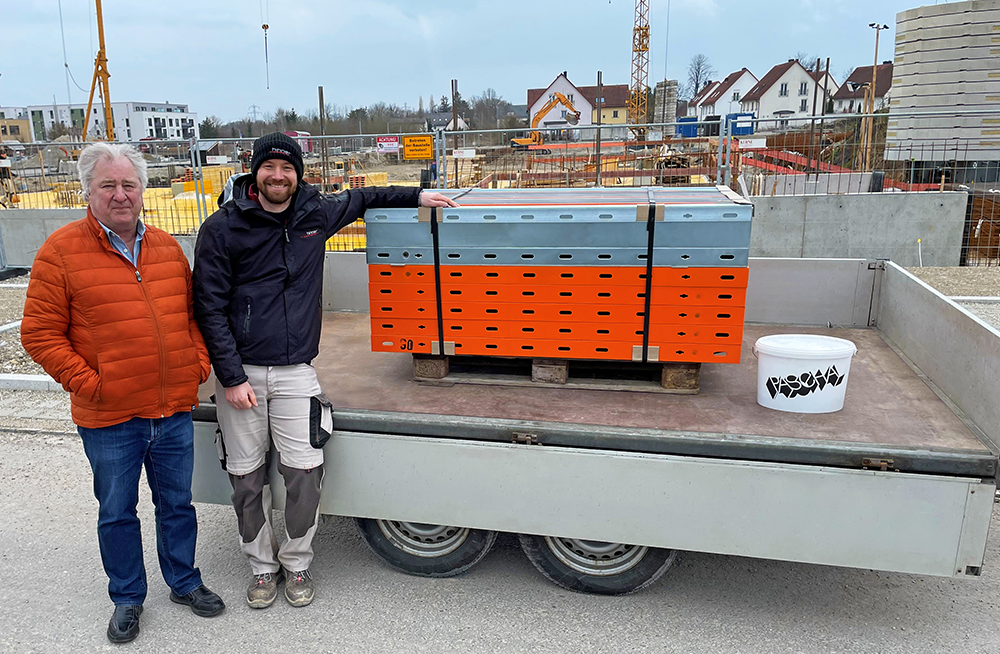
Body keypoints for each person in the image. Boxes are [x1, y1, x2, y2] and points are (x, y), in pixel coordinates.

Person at [193, 132, 457, 609]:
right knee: (246, 477)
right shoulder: (222, 228)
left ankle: (296, 564)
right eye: (269, 168)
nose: (278, 176)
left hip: (296, 372)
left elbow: (365, 197)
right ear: (254, 172)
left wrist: (418, 195)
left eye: (286, 168)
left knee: (304, 472)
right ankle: (260, 568)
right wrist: (229, 377)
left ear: (298, 173)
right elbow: (208, 306)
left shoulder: (314, 214)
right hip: (243, 375)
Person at [21, 142, 225, 644]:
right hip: (109, 417)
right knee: (117, 511)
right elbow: (39, 334)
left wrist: (196, 366)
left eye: (128, 184)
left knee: (177, 503)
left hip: (172, 408)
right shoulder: (61, 251)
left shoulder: (166, 249)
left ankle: (183, 581)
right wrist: (93, 384)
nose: (120, 195)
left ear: (142, 190)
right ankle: (128, 597)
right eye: (108, 185)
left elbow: (192, 316)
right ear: (88, 190)